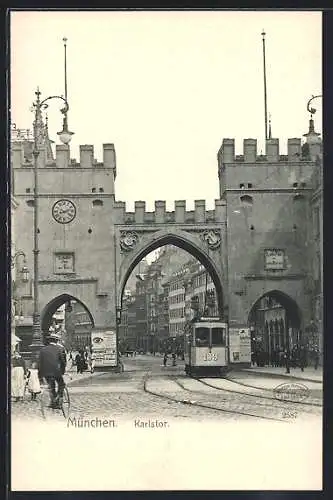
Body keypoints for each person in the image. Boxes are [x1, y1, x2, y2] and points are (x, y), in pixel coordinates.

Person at [38, 332, 67, 409]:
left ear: (49, 341)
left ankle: (53, 401)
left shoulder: (42, 350)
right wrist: (62, 371)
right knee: (62, 384)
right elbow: (62, 362)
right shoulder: (59, 349)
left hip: (46, 372)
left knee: (51, 387)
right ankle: (59, 395)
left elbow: (39, 363)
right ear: (56, 341)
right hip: (56, 371)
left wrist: (40, 375)